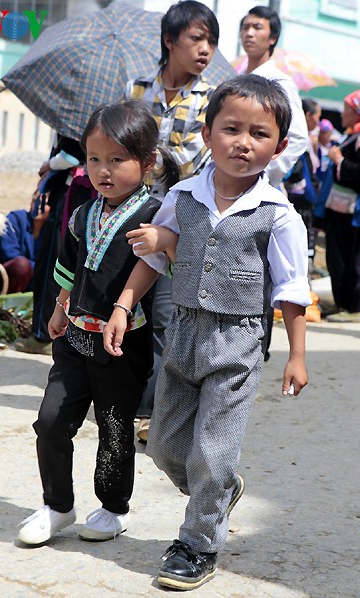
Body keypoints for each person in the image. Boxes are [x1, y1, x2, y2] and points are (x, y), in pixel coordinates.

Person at [104, 75, 311, 591]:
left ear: (279, 146)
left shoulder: (279, 216)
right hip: (183, 336)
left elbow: (291, 289)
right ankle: (218, 491)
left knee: (212, 454)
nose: (243, 142)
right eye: (231, 129)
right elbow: (154, 254)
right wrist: (124, 305)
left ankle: (197, 544)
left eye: (259, 134)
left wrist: (296, 355)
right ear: (206, 132)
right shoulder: (182, 194)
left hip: (238, 342)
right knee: (166, 449)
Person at [17, 100, 179, 546]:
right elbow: (68, 266)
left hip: (121, 344)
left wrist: (124, 308)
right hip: (75, 334)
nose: (102, 171)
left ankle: (112, 508)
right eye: (93, 159)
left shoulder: (157, 215)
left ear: (146, 164)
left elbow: (159, 266)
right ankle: (57, 505)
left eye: (116, 160)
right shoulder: (83, 213)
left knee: (113, 427)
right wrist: (58, 306)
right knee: (51, 420)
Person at [124, 0, 219, 442]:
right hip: (130, 212)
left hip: (177, 220)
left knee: (163, 314)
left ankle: (152, 413)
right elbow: (122, 144)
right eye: (197, 38)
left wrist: (145, 157)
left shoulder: (212, 99)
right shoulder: (137, 89)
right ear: (170, 40)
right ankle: (123, 398)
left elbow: (195, 163)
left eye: (212, 42)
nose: (206, 49)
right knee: (125, 305)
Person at [239, 5, 309, 361]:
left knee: (261, 271)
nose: (249, 33)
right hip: (224, 188)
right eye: (245, 26)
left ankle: (255, 348)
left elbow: (298, 138)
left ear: (272, 37)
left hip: (259, 190)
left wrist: (262, 171)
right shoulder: (234, 78)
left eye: (258, 27)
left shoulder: (279, 82)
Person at [14, 136, 87, 356]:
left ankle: (42, 335)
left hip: (69, 193)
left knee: (52, 267)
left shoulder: (73, 114)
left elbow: (72, 154)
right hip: (85, 193)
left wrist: (50, 165)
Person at [322, 89, 360, 323]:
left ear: (358, 111)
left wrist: (339, 160)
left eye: (347, 109)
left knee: (350, 258)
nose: (342, 114)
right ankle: (342, 302)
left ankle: (351, 308)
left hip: (353, 212)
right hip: (340, 209)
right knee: (337, 256)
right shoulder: (354, 134)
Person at [0, 189, 49, 294]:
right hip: (2, 279)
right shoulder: (14, 219)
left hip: (33, 283)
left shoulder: (51, 232)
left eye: (44, 204)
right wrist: (39, 268)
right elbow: (10, 254)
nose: (38, 206)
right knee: (21, 265)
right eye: (35, 200)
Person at [284, 99, 321, 268]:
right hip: (297, 199)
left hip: (303, 199)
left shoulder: (308, 139)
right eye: (317, 117)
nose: (318, 122)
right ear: (308, 115)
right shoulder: (297, 139)